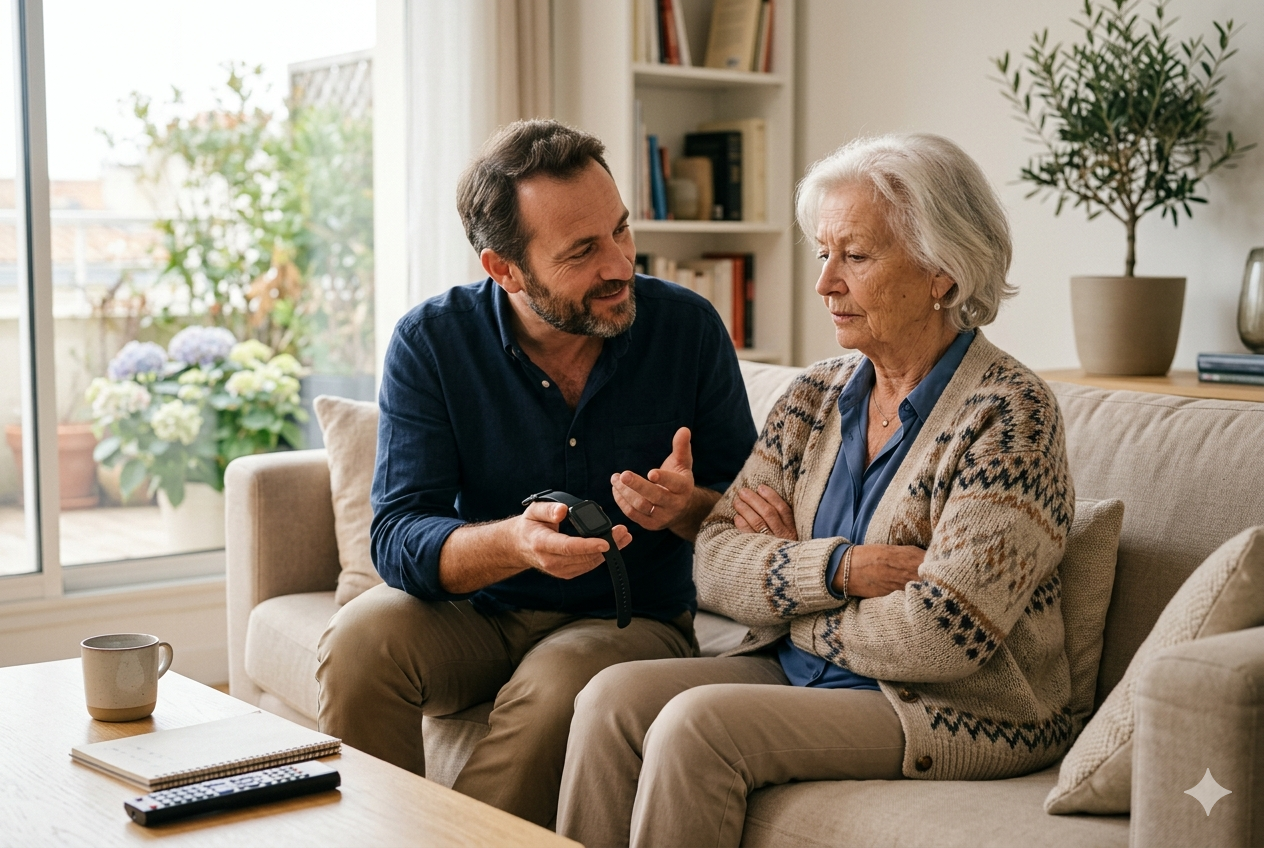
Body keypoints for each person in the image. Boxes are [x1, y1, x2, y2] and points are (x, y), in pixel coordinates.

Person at [556, 133, 1076, 847]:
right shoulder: (815, 395)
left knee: (697, 728)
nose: (825, 282)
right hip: (800, 671)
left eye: (855, 256)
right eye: (823, 253)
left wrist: (784, 590)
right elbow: (711, 559)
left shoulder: (1010, 415)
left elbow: (941, 635)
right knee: (610, 700)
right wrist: (835, 570)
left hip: (946, 706)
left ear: (943, 275)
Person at [315, 120, 757, 826]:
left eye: (620, 231)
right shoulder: (432, 343)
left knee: (557, 688)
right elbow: (398, 534)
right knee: (359, 641)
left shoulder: (688, 329)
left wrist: (687, 507)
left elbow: (755, 513)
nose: (618, 264)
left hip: (630, 616)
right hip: (479, 609)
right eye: (583, 251)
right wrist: (515, 543)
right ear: (505, 269)